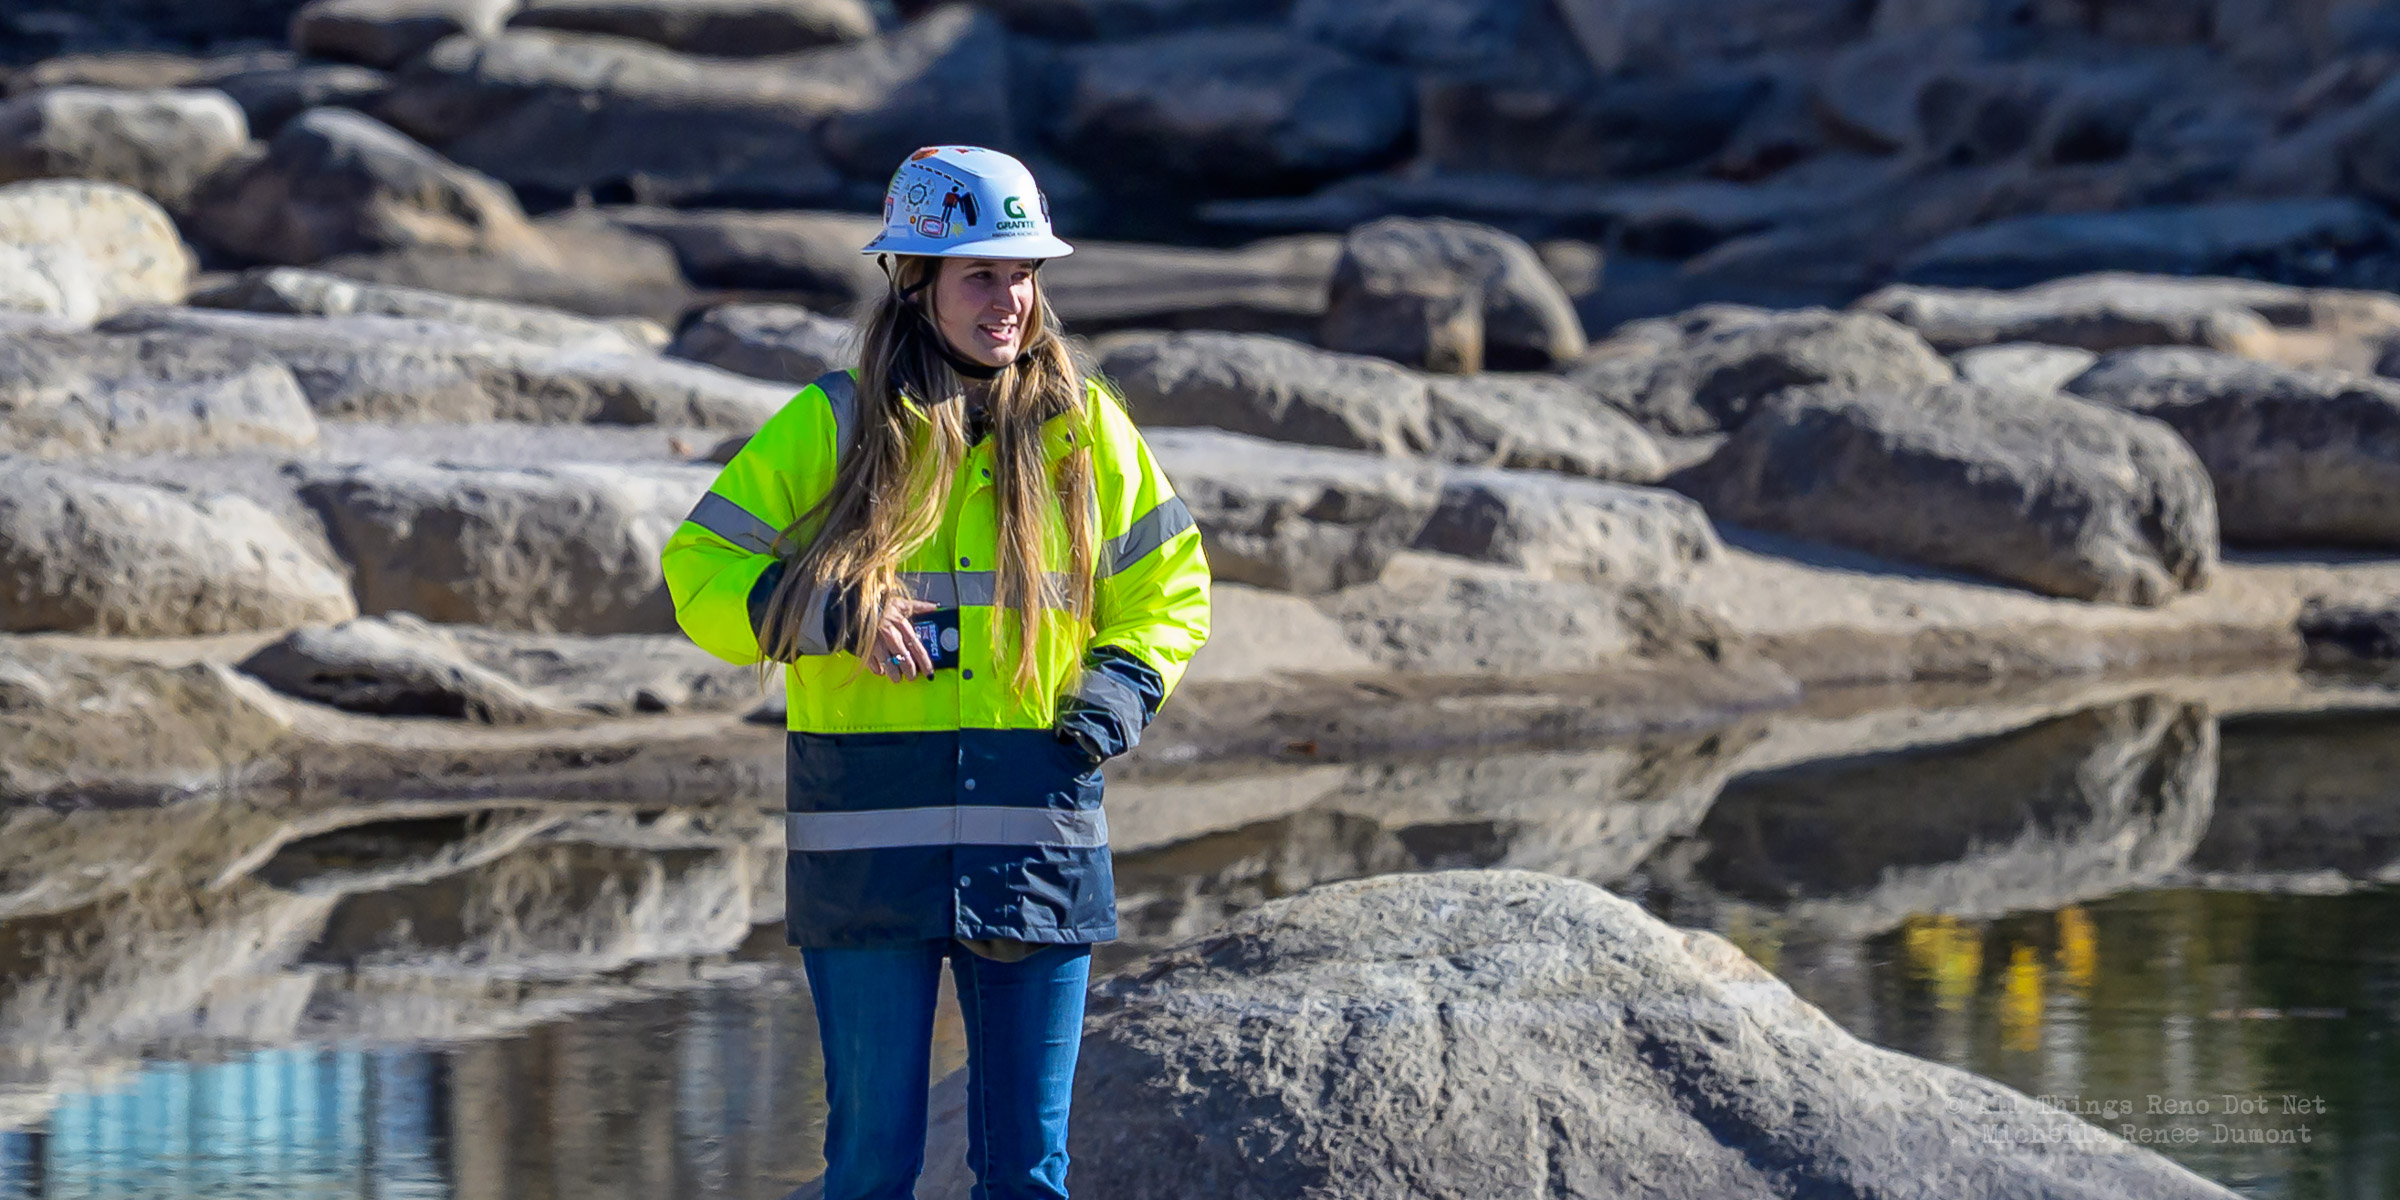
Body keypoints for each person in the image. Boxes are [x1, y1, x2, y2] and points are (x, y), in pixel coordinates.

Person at [659, 145, 1211, 1200]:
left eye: (1024, 273)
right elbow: (697, 570)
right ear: (916, 281)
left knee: (1028, 1173)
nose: (1010, 301)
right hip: (866, 845)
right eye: (981, 275)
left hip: (1036, 831)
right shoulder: (831, 422)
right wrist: (829, 610)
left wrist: (1119, 687)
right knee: (872, 1167)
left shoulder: (1085, 431)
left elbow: (1170, 584)